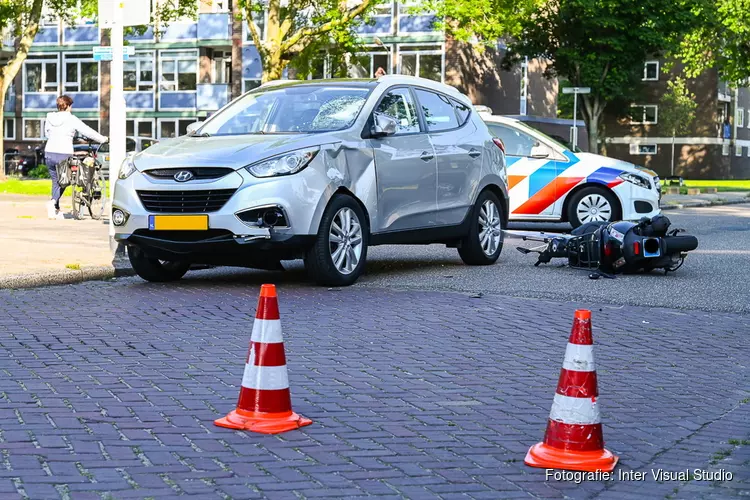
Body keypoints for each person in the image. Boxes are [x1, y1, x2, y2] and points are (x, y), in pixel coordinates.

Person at [44, 95, 107, 219]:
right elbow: (87, 130)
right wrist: (102, 139)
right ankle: (52, 202)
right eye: (71, 106)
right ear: (67, 106)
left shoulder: (49, 117)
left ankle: (55, 209)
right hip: (63, 153)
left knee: (56, 181)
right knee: (65, 181)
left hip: (49, 152)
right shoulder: (71, 119)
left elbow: (47, 134)